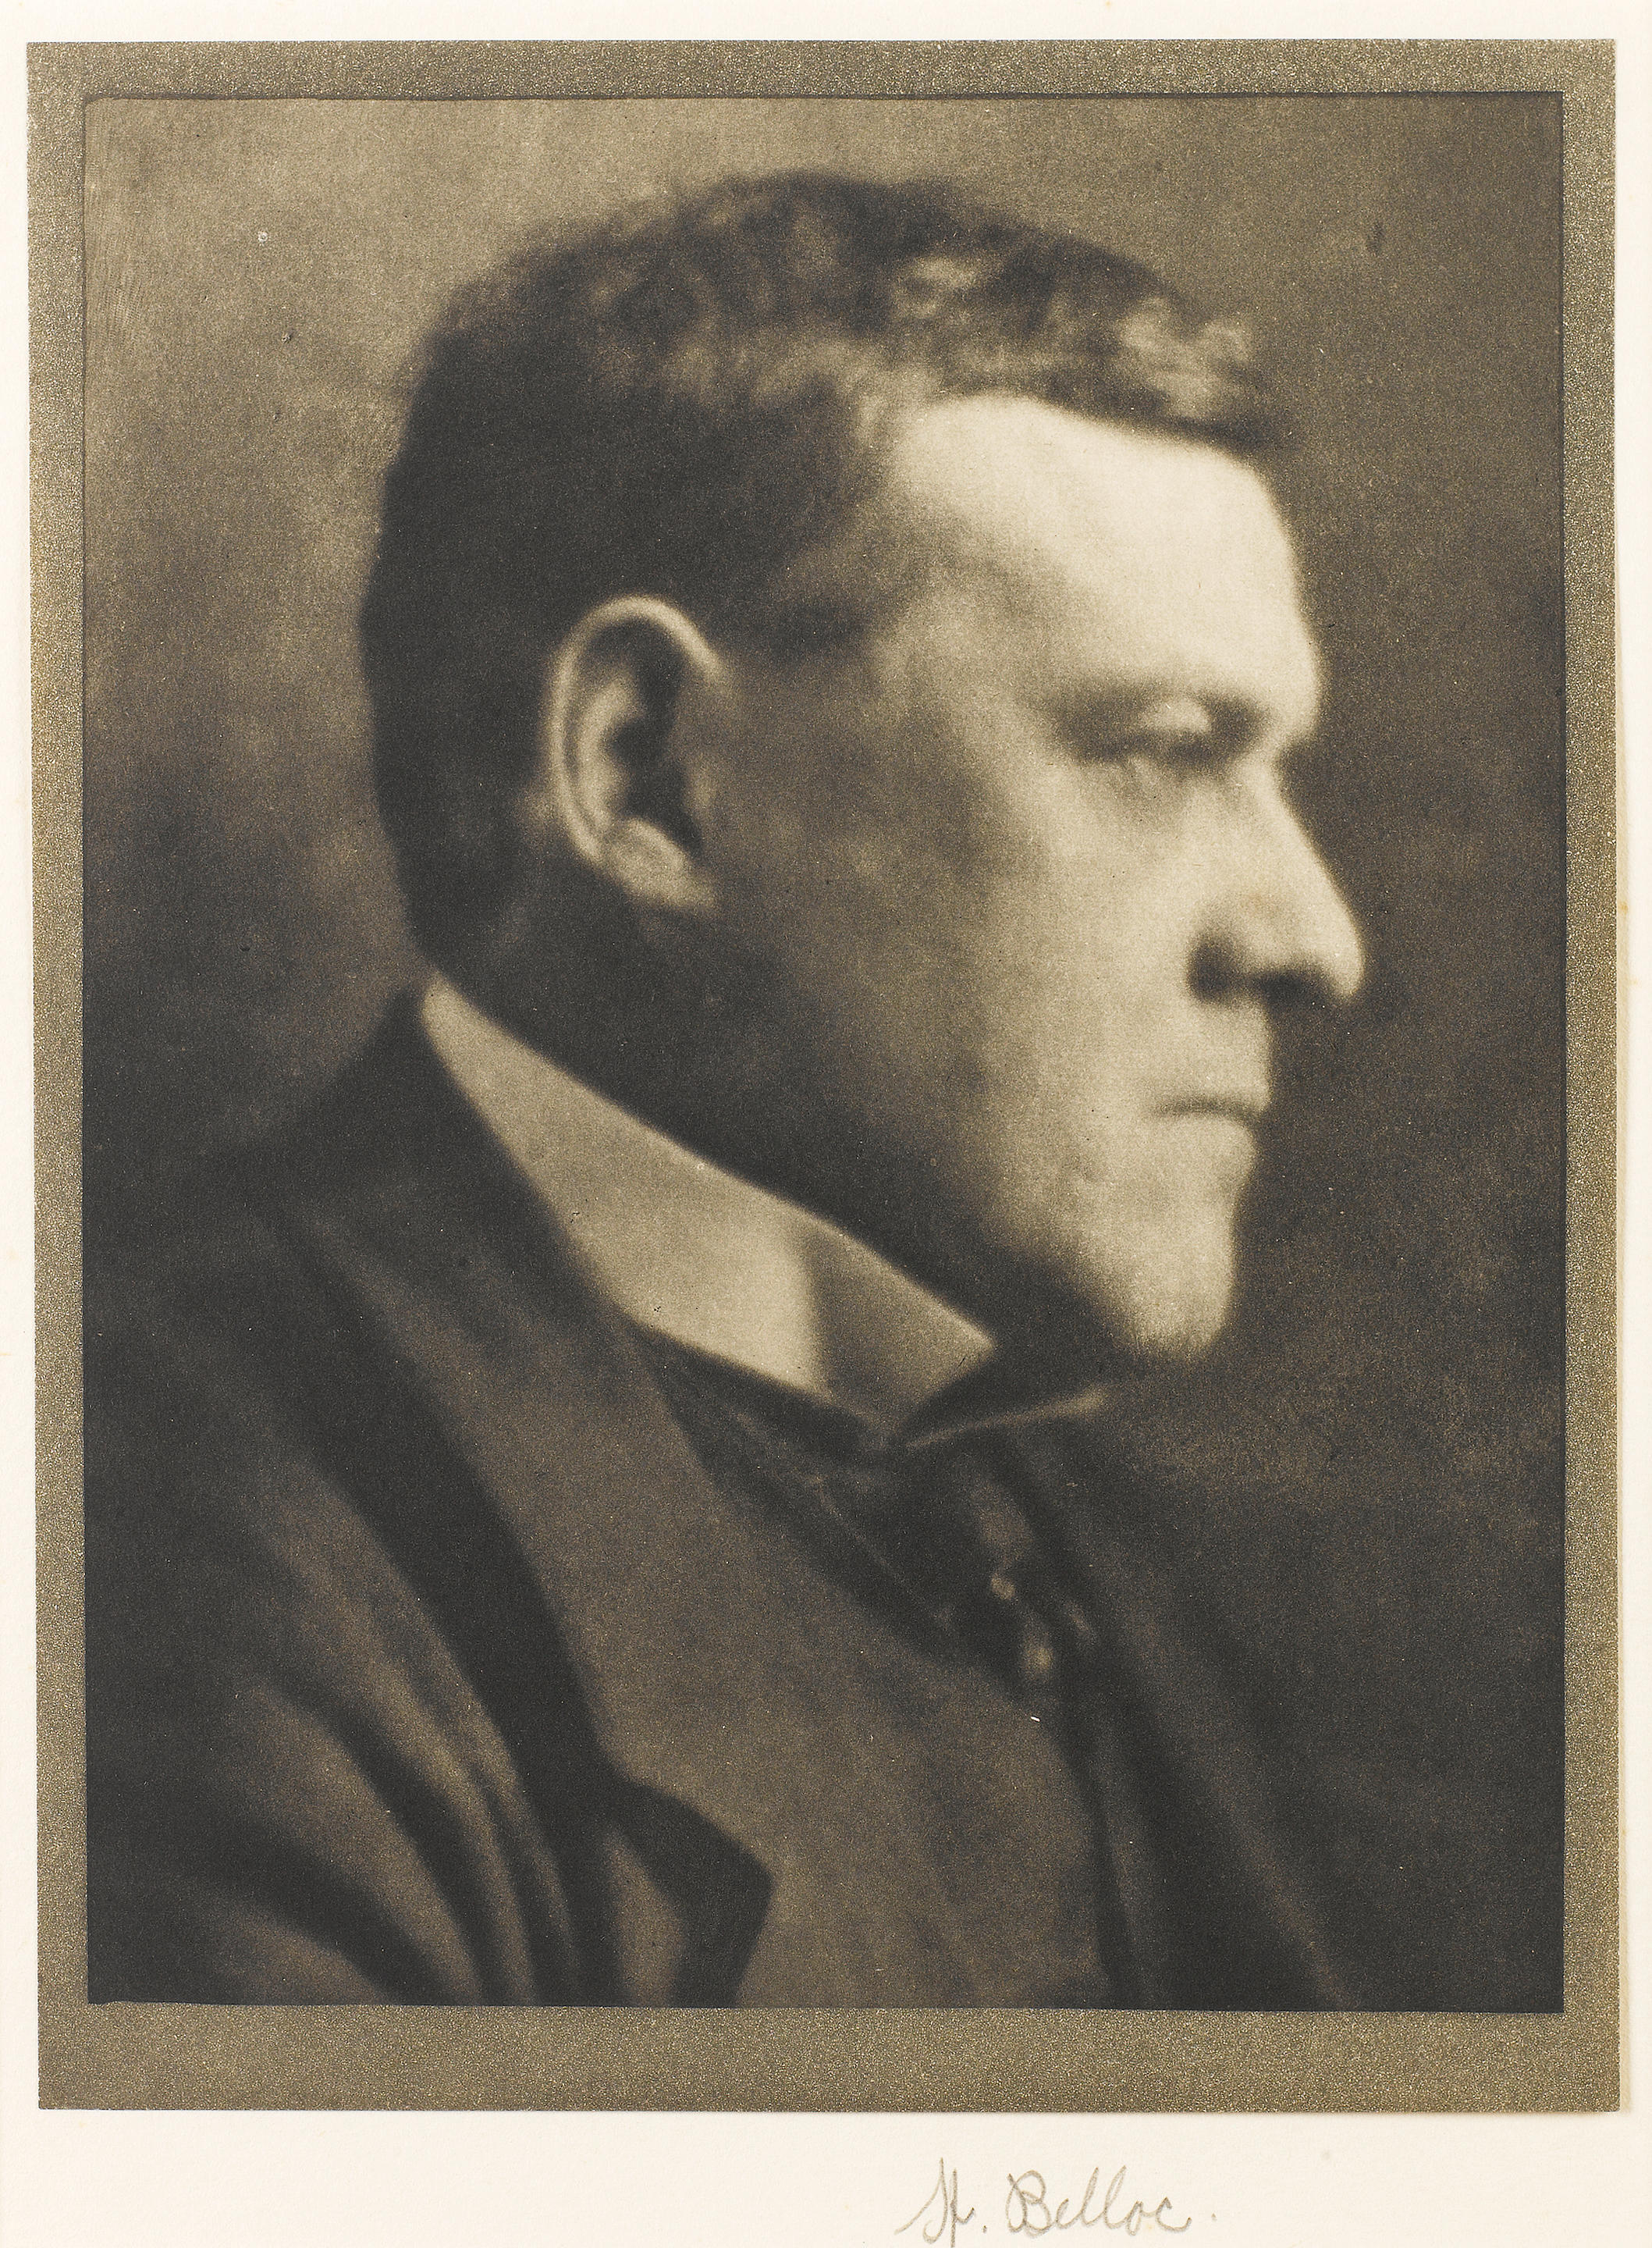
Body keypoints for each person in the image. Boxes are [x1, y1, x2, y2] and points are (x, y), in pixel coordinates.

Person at [86, 169, 1378, 2007]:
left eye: (1276, 772)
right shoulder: (164, 1572)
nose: (1315, 939)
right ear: (651, 778)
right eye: (1160, 754)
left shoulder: (1051, 1514)